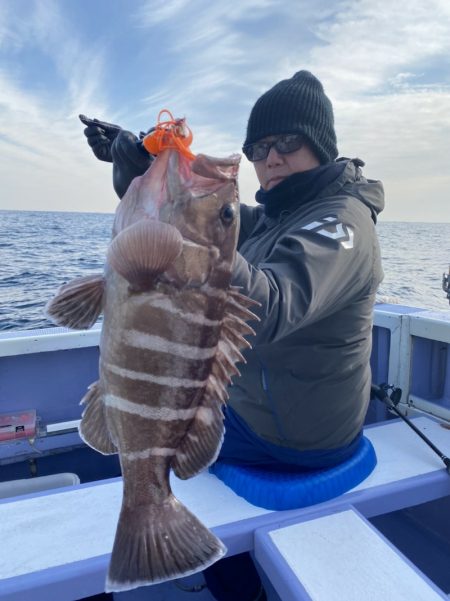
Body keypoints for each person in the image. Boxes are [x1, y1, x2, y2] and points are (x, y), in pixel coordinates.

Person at [82, 70, 384, 601]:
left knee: (172, 461)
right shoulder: (273, 215)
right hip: (263, 408)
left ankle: (238, 590)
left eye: (286, 143)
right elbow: (202, 211)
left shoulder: (343, 222)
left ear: (320, 145)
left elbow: (269, 306)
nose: (270, 157)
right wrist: (145, 165)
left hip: (301, 435)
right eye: (259, 146)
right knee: (142, 439)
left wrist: (199, 243)